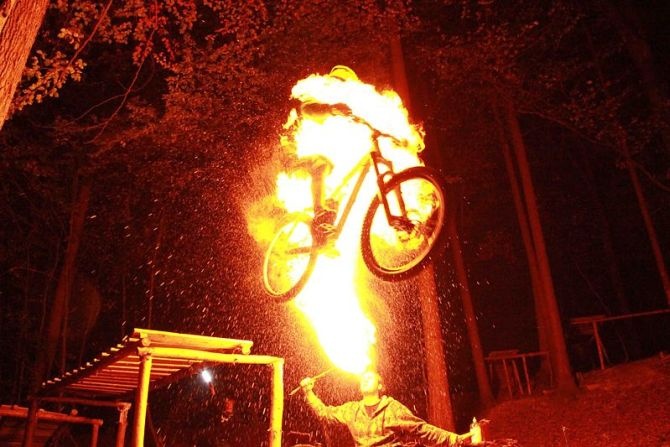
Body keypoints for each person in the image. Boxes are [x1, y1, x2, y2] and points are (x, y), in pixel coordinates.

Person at [280, 65, 359, 245]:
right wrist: (331, 110)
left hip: (313, 155)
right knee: (321, 164)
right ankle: (319, 212)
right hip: (290, 153)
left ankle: (324, 238)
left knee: (342, 188)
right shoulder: (317, 93)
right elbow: (308, 110)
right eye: (340, 83)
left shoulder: (343, 110)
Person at [299, 369, 474, 447]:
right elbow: (324, 414)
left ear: (380, 386)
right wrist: (308, 392)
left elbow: (421, 429)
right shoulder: (352, 410)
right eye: (363, 378)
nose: (365, 379)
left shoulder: (392, 408)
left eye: (370, 378)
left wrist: (454, 439)